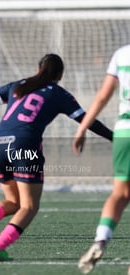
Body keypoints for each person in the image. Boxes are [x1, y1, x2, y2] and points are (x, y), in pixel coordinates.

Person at [0, 53, 113, 261]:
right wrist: (115, 138)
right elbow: (87, 121)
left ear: (38, 69)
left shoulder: (18, 86)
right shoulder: (58, 94)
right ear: (60, 75)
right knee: (29, 206)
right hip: (24, 145)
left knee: (13, 201)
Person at [73, 45, 130, 274]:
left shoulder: (122, 54)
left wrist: (82, 128)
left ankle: (100, 240)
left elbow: (103, 95)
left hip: (125, 131)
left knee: (120, 193)